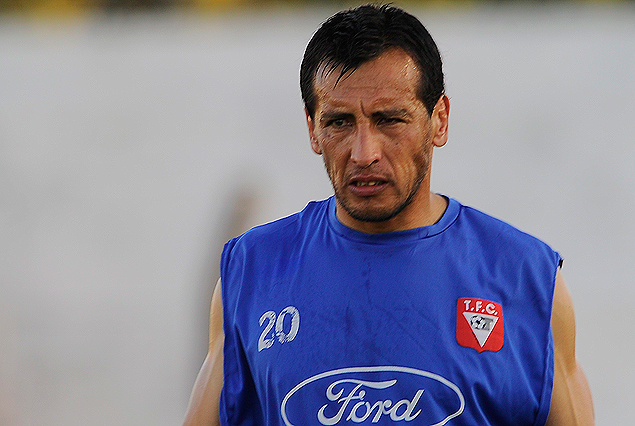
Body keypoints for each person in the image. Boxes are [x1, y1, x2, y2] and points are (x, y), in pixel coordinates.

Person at [182, 4, 594, 425]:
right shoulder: (252, 274)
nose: (364, 153)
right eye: (339, 122)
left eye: (389, 120)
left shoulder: (526, 278)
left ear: (439, 120)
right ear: (312, 129)